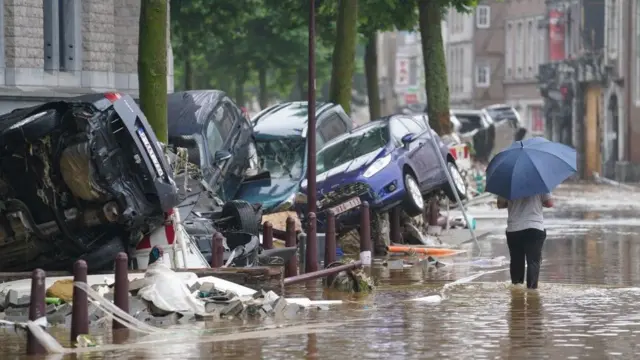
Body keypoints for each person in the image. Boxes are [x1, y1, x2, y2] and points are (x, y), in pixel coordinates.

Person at [497, 193, 553, 289]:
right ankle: (532, 290)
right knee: (533, 261)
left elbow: (500, 205)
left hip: (514, 229)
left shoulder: (508, 184)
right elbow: (549, 203)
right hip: (535, 227)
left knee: (516, 261)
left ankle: (517, 288)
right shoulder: (540, 182)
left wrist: (511, 203)